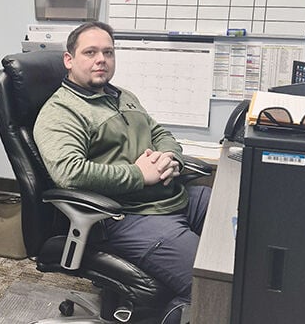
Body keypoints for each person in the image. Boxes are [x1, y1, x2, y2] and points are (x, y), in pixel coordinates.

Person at [33, 21, 211, 324]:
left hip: (173, 196)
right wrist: (139, 175)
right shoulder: (61, 112)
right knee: (210, 284)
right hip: (129, 214)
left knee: (240, 226)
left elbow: (160, 132)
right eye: (90, 52)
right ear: (69, 60)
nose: (101, 59)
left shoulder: (122, 95)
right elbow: (69, 174)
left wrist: (172, 158)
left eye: (108, 52)